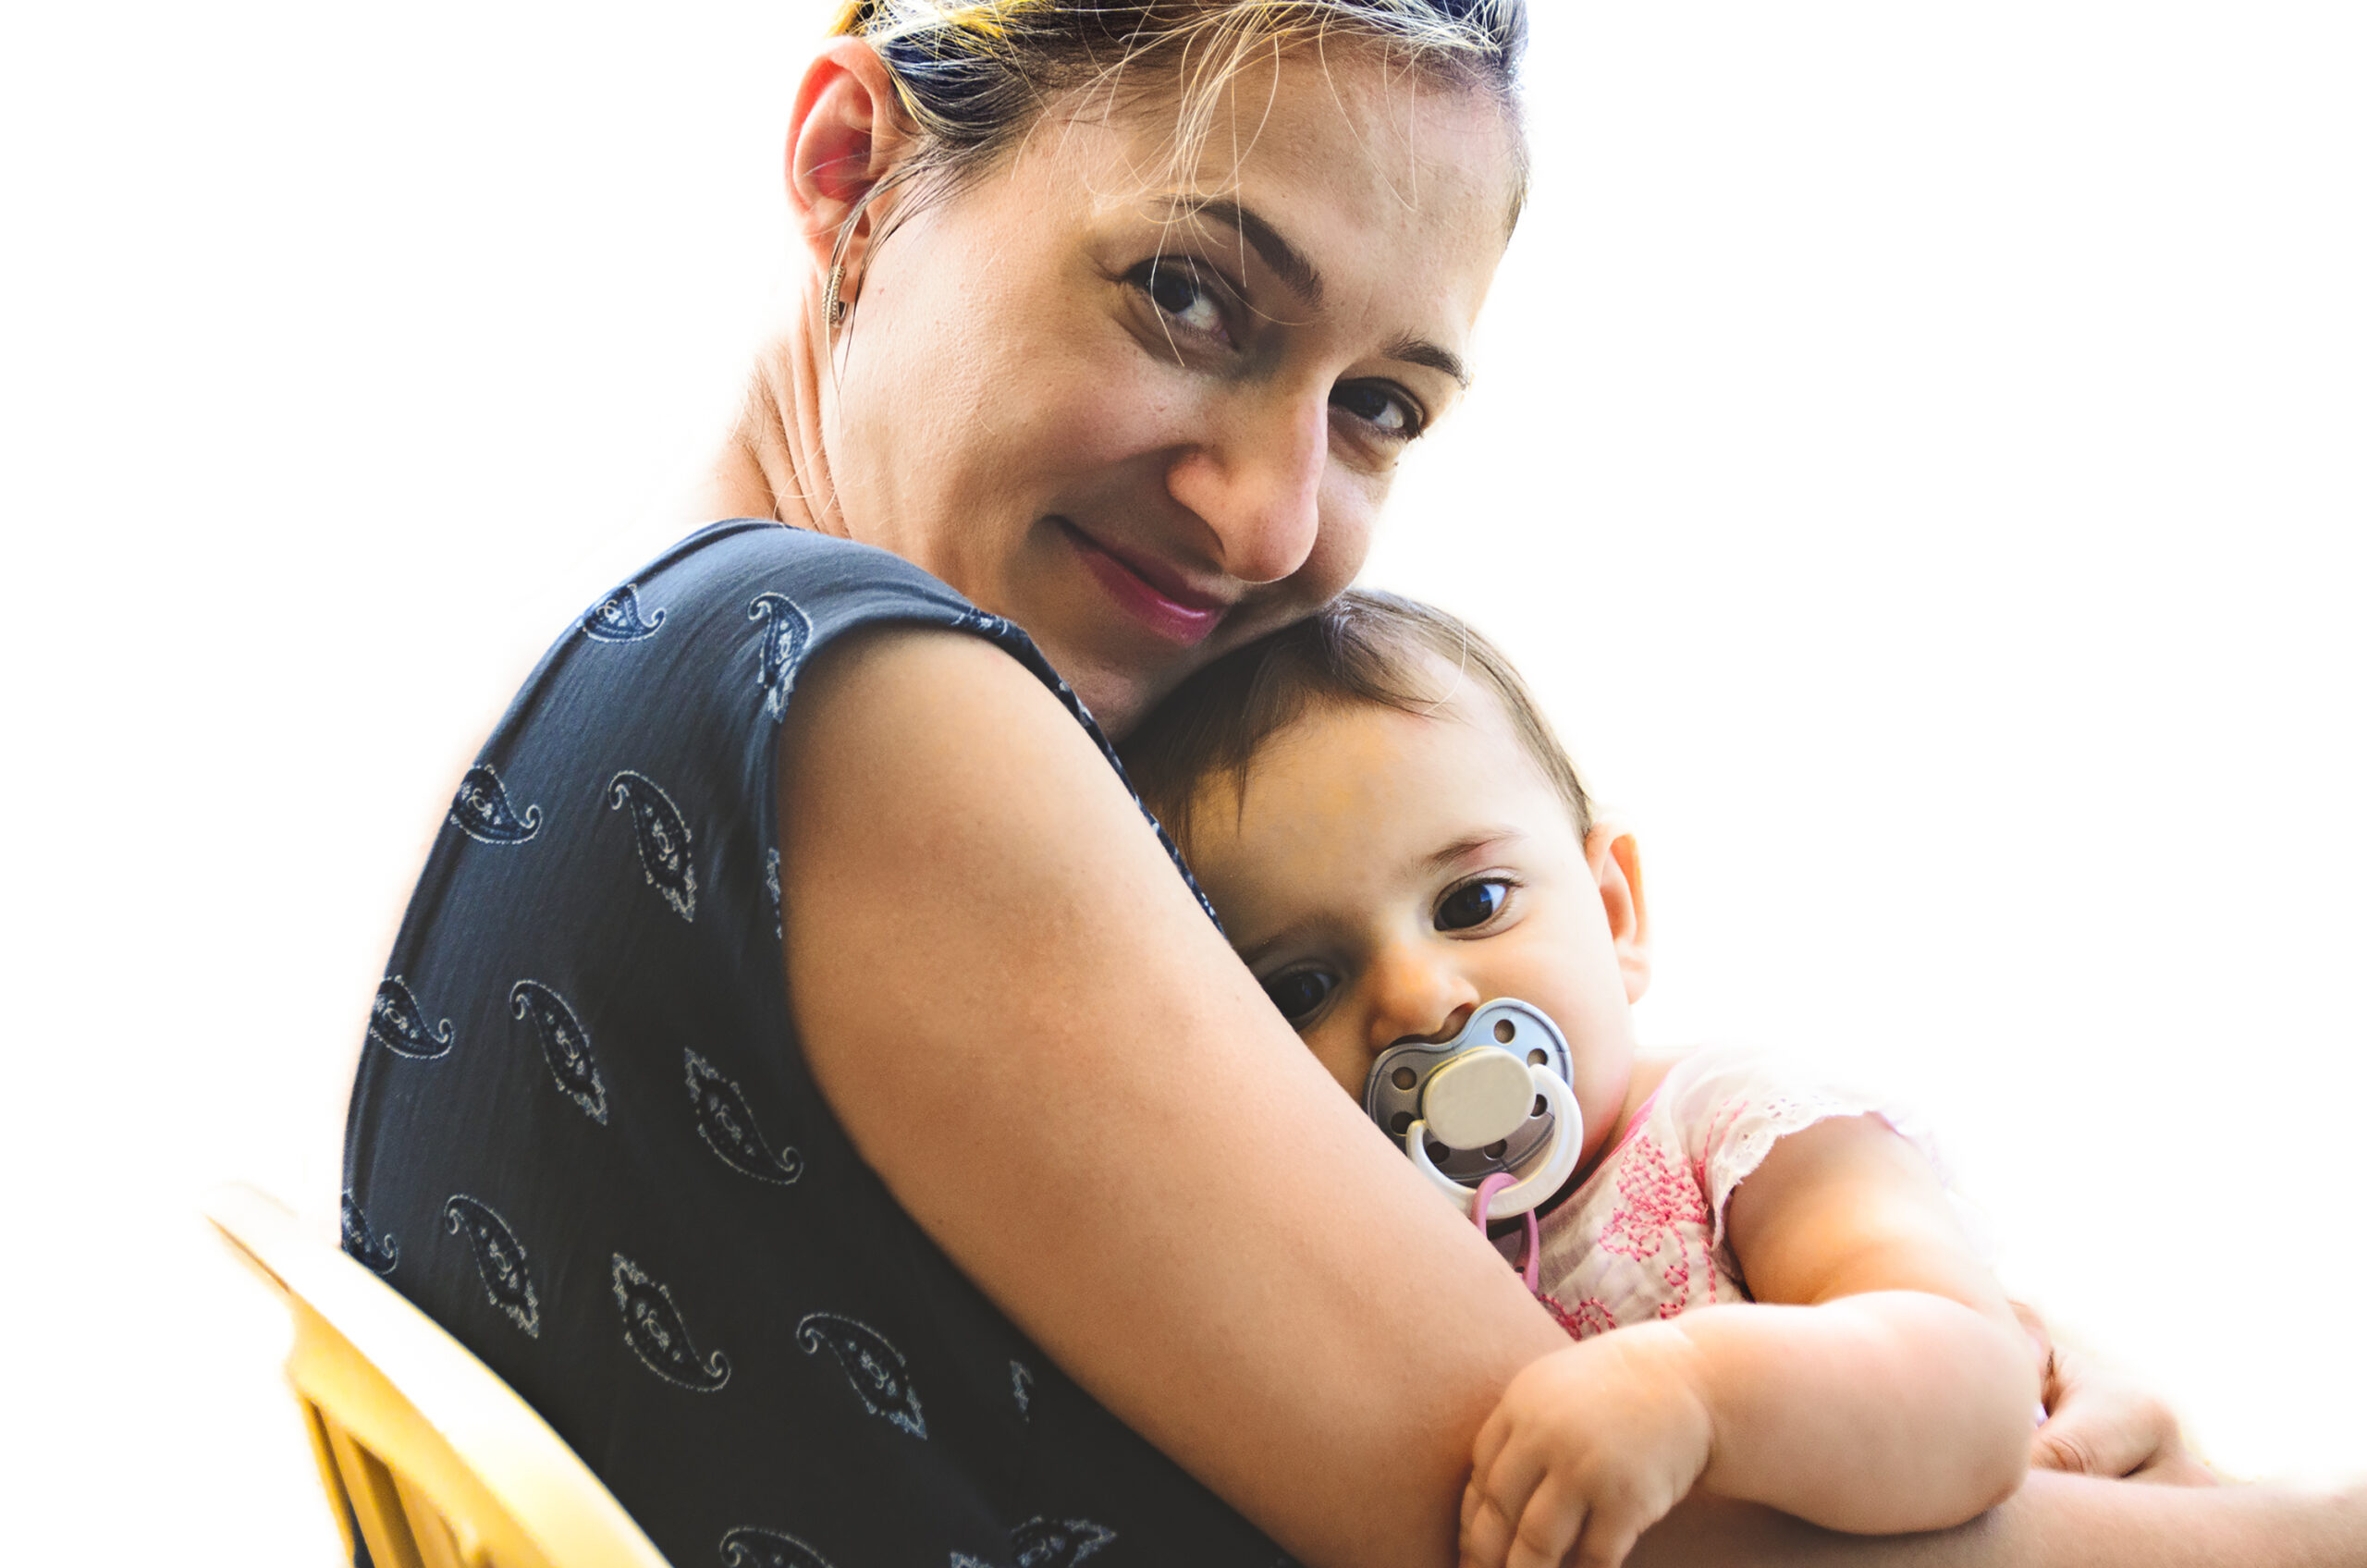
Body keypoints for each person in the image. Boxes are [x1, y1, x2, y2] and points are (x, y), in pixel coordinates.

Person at [341, 5, 2367, 1567]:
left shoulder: (612, 662)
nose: (1271, 510)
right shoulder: (871, 709)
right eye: (1188, 295)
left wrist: (1910, 1368)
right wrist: (2283, 1525)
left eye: (1378, 406)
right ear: (856, 169)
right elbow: (1623, 1540)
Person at [1122, 589, 2042, 1566]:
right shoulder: (1326, 1259)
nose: (1421, 999)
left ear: (1613, 912)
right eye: (1304, 984)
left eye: (1471, 902)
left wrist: (1694, 1394)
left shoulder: (1738, 1129)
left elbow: (1976, 1388)